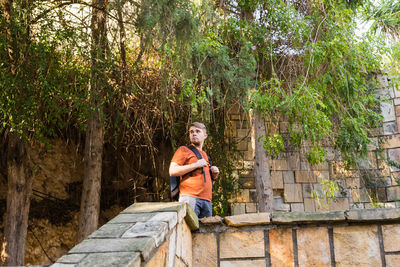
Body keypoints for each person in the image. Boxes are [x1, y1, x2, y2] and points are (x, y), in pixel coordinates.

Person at [169, 122, 219, 218]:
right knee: (188, 230)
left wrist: (214, 176)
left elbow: (209, 183)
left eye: (197, 131)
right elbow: (172, 170)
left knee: (206, 232)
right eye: (191, 132)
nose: (194, 133)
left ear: (205, 136)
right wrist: (195, 165)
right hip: (189, 198)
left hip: (207, 201)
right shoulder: (183, 150)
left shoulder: (206, 156)